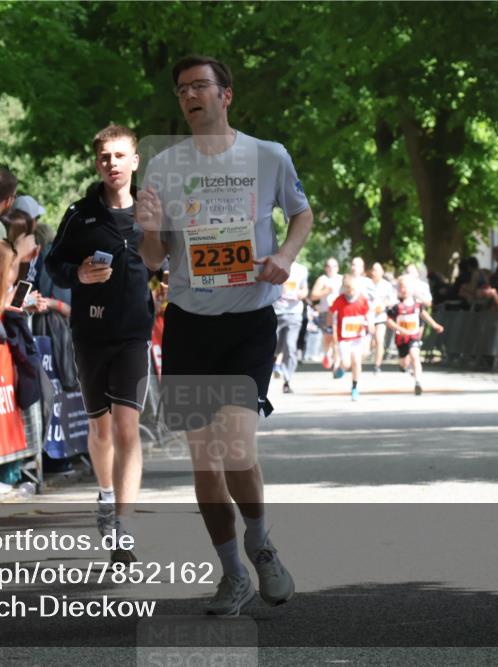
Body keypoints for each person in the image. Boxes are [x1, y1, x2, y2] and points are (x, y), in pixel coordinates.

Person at [136, 55, 312, 615]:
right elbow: (154, 258)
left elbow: (301, 214)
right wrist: (145, 230)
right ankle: (232, 573)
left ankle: (260, 543)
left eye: (201, 86)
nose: (191, 96)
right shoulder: (162, 166)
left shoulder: (267, 156)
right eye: (182, 89)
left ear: (226, 95)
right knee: (205, 464)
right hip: (189, 325)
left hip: (248, 324)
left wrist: (284, 255)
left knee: (236, 448)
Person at [45, 124, 154, 563]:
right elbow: (53, 264)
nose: (112, 163)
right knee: (100, 428)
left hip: (133, 333)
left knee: (128, 427)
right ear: (98, 163)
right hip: (90, 333)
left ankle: (123, 527)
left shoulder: (152, 210)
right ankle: (105, 496)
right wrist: (78, 275)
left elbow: (172, 258)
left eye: (119, 155)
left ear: (134, 160)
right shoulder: (80, 213)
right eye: (104, 156)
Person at [386, 275, 444, 395]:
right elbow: (388, 321)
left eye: (406, 287)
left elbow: (424, 315)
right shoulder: (397, 306)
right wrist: (400, 329)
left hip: (414, 336)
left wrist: (434, 325)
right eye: (401, 287)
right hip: (401, 338)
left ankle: (418, 382)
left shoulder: (417, 305)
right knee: (404, 363)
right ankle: (405, 367)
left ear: (412, 289)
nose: (404, 290)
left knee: (415, 356)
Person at [328, 275, 371, 401]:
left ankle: (354, 388)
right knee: (346, 364)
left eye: (351, 288)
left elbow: (368, 312)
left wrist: (370, 323)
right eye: (346, 288)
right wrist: (332, 330)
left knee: (356, 361)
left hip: (358, 337)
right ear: (343, 287)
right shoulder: (340, 300)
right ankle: (340, 369)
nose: (349, 291)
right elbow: (332, 313)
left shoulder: (362, 299)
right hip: (344, 338)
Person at [272, 260, 308, 393]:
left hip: (294, 313)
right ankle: (274, 365)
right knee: (273, 347)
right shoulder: (276, 265)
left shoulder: (302, 269)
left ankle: (287, 380)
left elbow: (305, 290)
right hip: (276, 312)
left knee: (290, 346)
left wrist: (301, 294)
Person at [309, 257, 342, 370]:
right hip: (326, 312)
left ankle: (336, 362)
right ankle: (328, 354)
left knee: (336, 337)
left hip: (339, 313)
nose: (331, 269)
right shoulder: (322, 279)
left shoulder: (341, 279)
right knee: (328, 337)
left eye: (333, 266)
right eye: (328, 266)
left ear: (337, 268)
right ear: (325, 268)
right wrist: (326, 291)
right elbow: (313, 296)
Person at [368, 262, 396, 374]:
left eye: (377, 270)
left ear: (382, 272)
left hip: (380, 317)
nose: (375, 272)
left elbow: (393, 300)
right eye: (373, 270)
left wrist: (384, 304)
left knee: (379, 340)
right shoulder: (366, 283)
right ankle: (369, 352)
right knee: (371, 342)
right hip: (368, 317)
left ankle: (377, 365)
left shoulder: (386, 285)